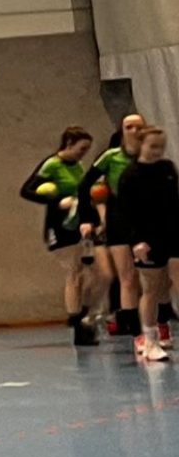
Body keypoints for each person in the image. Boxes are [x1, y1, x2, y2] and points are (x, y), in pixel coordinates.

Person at [18, 126, 99, 345]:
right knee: (74, 272)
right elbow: (26, 191)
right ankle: (77, 324)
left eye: (87, 150)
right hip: (59, 225)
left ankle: (85, 316)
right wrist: (56, 201)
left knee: (93, 274)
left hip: (79, 224)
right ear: (69, 144)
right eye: (81, 149)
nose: (84, 154)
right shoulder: (52, 164)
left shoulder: (79, 167)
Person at [88, 114, 149, 350]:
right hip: (115, 224)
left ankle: (149, 323)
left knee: (149, 277)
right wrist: (101, 219)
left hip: (142, 223)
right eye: (128, 129)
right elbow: (96, 194)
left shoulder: (148, 161)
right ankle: (126, 322)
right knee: (121, 275)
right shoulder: (109, 165)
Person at [123, 126, 175, 354]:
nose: (157, 151)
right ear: (140, 145)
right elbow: (126, 213)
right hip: (147, 238)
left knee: (175, 280)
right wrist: (136, 241)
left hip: (172, 234)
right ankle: (150, 339)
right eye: (153, 146)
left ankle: (164, 327)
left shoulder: (167, 168)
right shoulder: (130, 175)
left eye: (161, 147)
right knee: (152, 288)